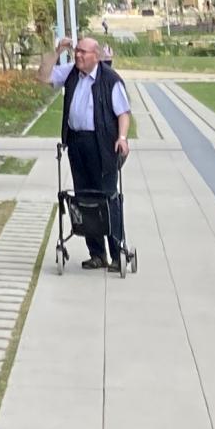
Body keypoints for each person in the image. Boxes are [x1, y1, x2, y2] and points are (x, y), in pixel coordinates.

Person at [49, 32, 132, 271]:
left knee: (107, 197)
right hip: (77, 143)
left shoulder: (110, 80)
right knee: (84, 198)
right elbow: (43, 76)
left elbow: (123, 113)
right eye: (77, 51)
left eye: (83, 52)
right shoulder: (72, 73)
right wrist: (55, 52)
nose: (77, 55)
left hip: (103, 145)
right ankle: (96, 254)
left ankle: (117, 254)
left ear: (96, 56)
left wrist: (122, 138)